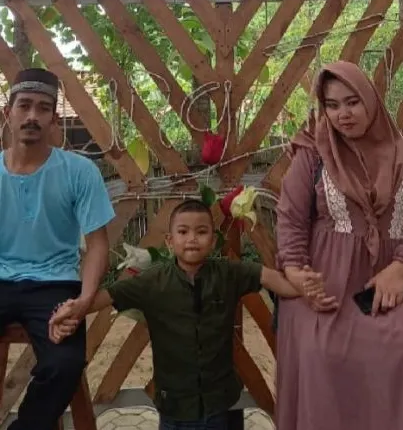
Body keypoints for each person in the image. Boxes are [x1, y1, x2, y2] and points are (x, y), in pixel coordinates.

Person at [49, 197, 323, 430]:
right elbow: (105, 298)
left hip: (222, 402)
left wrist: (303, 288)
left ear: (214, 240)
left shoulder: (229, 273)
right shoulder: (152, 282)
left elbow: (268, 277)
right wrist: (72, 310)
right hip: (174, 406)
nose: (192, 238)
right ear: (169, 241)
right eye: (183, 232)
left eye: (201, 231)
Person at [275, 60, 403, 430]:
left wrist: (399, 267)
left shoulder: (401, 154)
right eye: (332, 105)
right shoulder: (313, 154)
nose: (342, 114)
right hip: (324, 285)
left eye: (352, 102)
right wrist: (298, 275)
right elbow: (291, 218)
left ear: (371, 101)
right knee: (321, 354)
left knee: (395, 351)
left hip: (389, 283)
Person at [0, 67, 115, 430]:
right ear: (9, 113)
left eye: (43, 108)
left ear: (53, 118)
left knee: (64, 364)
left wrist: (84, 299)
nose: (33, 116)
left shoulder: (79, 171)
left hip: (54, 283)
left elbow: (97, 244)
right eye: (25, 106)